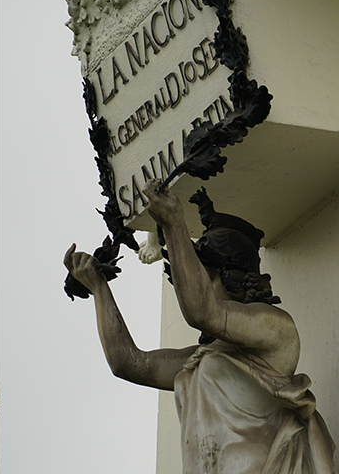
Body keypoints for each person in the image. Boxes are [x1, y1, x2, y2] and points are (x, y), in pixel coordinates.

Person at [64, 179, 336, 473]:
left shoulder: (275, 329)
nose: (189, 285)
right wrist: (99, 287)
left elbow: (202, 311)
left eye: (202, 276)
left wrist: (174, 223)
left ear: (233, 279)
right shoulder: (199, 360)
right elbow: (129, 363)